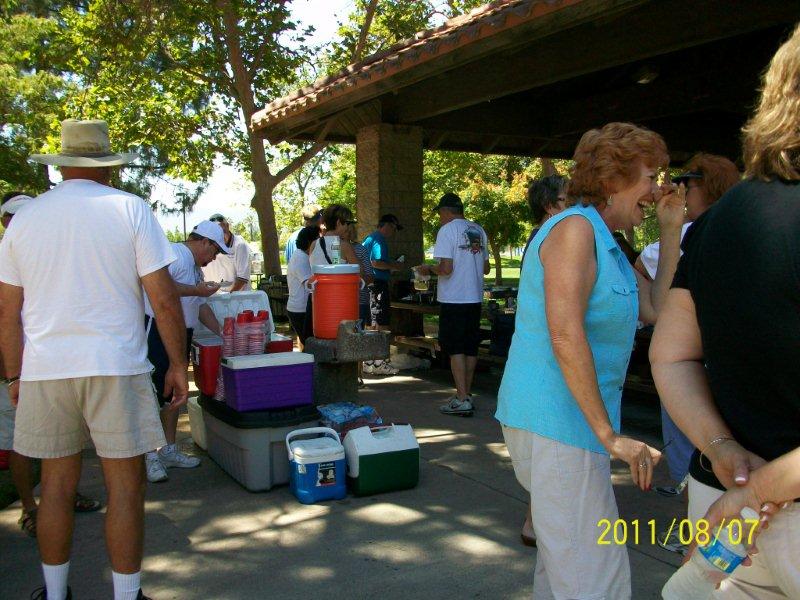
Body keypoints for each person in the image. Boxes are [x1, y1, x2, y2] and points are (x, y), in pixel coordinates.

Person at [495, 122, 685, 599]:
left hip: (573, 424)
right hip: (559, 423)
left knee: (565, 566)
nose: (657, 190)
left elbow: (655, 309)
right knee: (595, 579)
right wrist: (610, 436)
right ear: (613, 179)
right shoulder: (575, 231)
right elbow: (565, 332)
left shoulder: (606, 241)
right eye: (650, 177)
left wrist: (670, 231)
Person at [0, 119, 187, 600]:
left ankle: (55, 593)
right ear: (108, 166)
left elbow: (7, 311)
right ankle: (126, 595)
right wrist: (177, 364)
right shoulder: (130, 209)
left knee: (55, 486)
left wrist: (15, 375)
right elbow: (164, 299)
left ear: (61, 166)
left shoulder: (25, 219)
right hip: (115, 363)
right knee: (125, 486)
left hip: (46, 368)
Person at [651, 24, 800, 598]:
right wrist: (757, 488)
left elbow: (671, 355)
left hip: (728, 508)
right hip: (749, 502)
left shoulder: (719, 221)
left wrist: (721, 450)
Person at [636, 153, 740, 493]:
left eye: (686, 183)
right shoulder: (745, 227)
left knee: (689, 443)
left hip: (687, 359)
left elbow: (641, 268)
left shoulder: (688, 234)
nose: (679, 189)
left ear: (704, 187)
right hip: (728, 360)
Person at [0, 192, 101, 538]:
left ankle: (65, 494)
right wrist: (12, 374)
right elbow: (6, 317)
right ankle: (29, 507)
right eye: (13, 216)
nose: (21, 221)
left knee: (67, 437)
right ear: (4, 220)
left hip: (52, 364)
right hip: (16, 371)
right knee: (21, 442)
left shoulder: (45, 252)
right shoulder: (6, 256)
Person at [143, 220, 228, 483]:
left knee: (174, 393)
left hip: (182, 333)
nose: (214, 257)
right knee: (152, 392)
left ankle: (168, 449)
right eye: (214, 250)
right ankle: (149, 455)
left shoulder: (194, 269)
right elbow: (157, 285)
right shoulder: (176, 254)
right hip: (157, 331)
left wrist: (223, 333)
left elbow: (200, 307)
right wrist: (196, 290)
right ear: (204, 242)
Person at [415, 193, 490, 416]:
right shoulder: (478, 229)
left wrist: (428, 268)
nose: (439, 218)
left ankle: (461, 397)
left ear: (446, 211)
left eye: (440, 213)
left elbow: (446, 269)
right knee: (470, 347)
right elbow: (486, 268)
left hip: (454, 298)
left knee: (455, 347)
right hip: (474, 297)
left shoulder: (447, 230)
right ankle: (466, 393)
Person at [306, 204, 362, 341]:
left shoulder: (314, 244)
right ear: (338, 222)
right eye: (347, 223)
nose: (348, 227)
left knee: (321, 341)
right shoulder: (344, 246)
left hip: (318, 305)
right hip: (341, 304)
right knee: (343, 344)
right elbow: (360, 273)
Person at [361, 214, 403, 375]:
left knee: (372, 322)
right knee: (381, 322)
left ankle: (369, 361)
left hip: (370, 284)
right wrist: (395, 266)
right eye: (393, 228)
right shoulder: (379, 239)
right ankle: (380, 362)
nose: (394, 232)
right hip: (377, 285)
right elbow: (376, 262)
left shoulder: (371, 238)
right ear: (387, 225)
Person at [520, 174, 567, 268]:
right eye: (566, 199)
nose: (573, 205)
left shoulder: (539, 237)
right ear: (548, 206)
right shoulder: (550, 240)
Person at [286, 225, 320, 348]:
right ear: (310, 242)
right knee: (310, 344)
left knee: (309, 344)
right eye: (317, 240)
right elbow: (308, 284)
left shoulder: (303, 256)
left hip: (301, 308)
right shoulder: (301, 257)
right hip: (300, 309)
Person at [201, 213, 251, 292]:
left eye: (222, 232)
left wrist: (229, 297)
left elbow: (242, 279)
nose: (220, 236)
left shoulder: (240, 246)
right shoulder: (207, 246)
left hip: (238, 297)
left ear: (227, 226)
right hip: (214, 296)